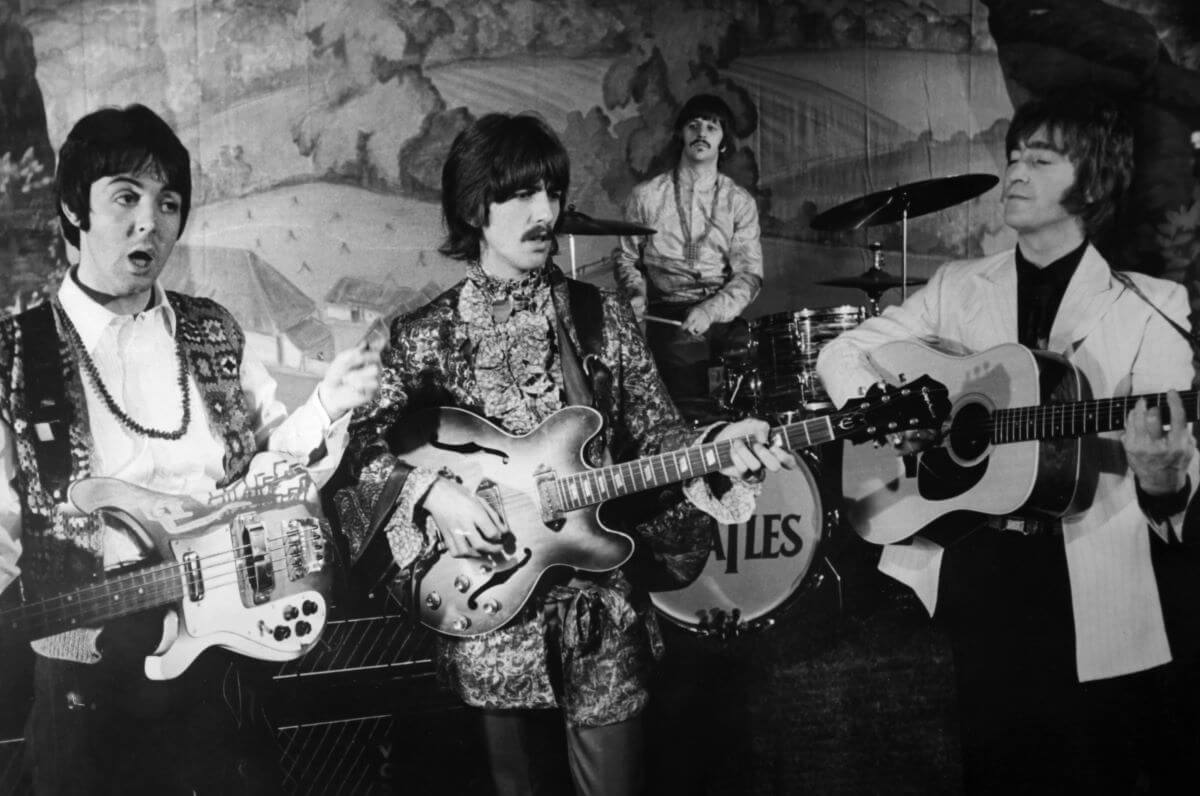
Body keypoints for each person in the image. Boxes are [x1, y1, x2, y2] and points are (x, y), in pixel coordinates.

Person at [332, 112, 793, 796]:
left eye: (551, 193)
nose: (544, 212)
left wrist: (712, 448)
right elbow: (357, 450)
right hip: (489, 601)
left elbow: (656, 436)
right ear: (473, 208)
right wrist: (429, 493)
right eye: (520, 195)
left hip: (598, 611)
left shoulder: (598, 316)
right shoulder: (423, 336)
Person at [816, 90, 1200, 794]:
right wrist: (891, 415)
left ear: (1092, 182)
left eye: (1040, 159)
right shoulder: (957, 286)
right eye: (1014, 156)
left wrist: (1162, 478)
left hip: (1089, 570)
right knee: (994, 768)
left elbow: (1176, 472)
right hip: (976, 565)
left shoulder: (1152, 305)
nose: (1014, 173)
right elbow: (841, 356)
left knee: (1097, 771)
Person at [0, 103, 382, 795]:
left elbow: (270, 474)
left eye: (168, 202)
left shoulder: (214, 330)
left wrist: (328, 403)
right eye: (125, 197)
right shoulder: (14, 355)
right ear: (73, 210)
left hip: (227, 664)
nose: (151, 221)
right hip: (87, 684)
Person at [613, 93, 763, 414]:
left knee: (751, 371)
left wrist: (711, 310)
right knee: (685, 387)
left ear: (723, 142)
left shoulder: (739, 202)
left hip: (723, 317)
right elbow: (626, 258)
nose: (701, 133)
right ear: (680, 134)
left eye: (712, 127)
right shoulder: (647, 197)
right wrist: (635, 294)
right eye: (693, 125)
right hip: (667, 319)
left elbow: (749, 275)